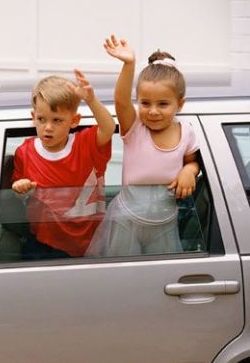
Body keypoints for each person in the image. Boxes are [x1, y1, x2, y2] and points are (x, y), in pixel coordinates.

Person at [85, 35, 200, 256]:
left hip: (165, 224)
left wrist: (189, 171)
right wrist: (129, 65)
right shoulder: (134, 127)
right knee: (123, 277)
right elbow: (121, 101)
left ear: (180, 104)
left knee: (160, 277)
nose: (153, 111)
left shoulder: (187, 131)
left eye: (163, 104)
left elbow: (192, 162)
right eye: (145, 103)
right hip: (126, 222)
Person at [11, 69, 115, 260]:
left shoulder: (86, 144)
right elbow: (19, 194)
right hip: (44, 243)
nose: (48, 127)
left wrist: (91, 100)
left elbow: (108, 127)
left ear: (74, 121)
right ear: (33, 116)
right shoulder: (24, 152)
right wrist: (20, 188)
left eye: (57, 120)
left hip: (91, 242)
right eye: (41, 119)